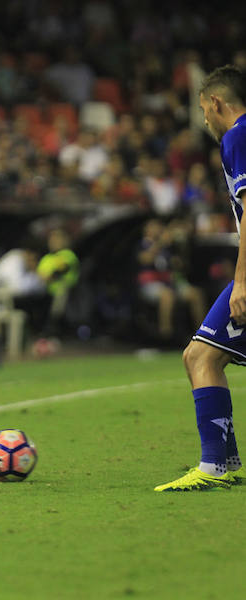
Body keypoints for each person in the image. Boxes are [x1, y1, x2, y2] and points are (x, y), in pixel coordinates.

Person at [154, 65, 246, 491]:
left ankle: (217, 466)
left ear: (214, 103)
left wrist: (242, 281)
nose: (204, 120)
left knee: (200, 356)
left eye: (202, 110)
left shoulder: (237, 136)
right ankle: (224, 462)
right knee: (204, 355)